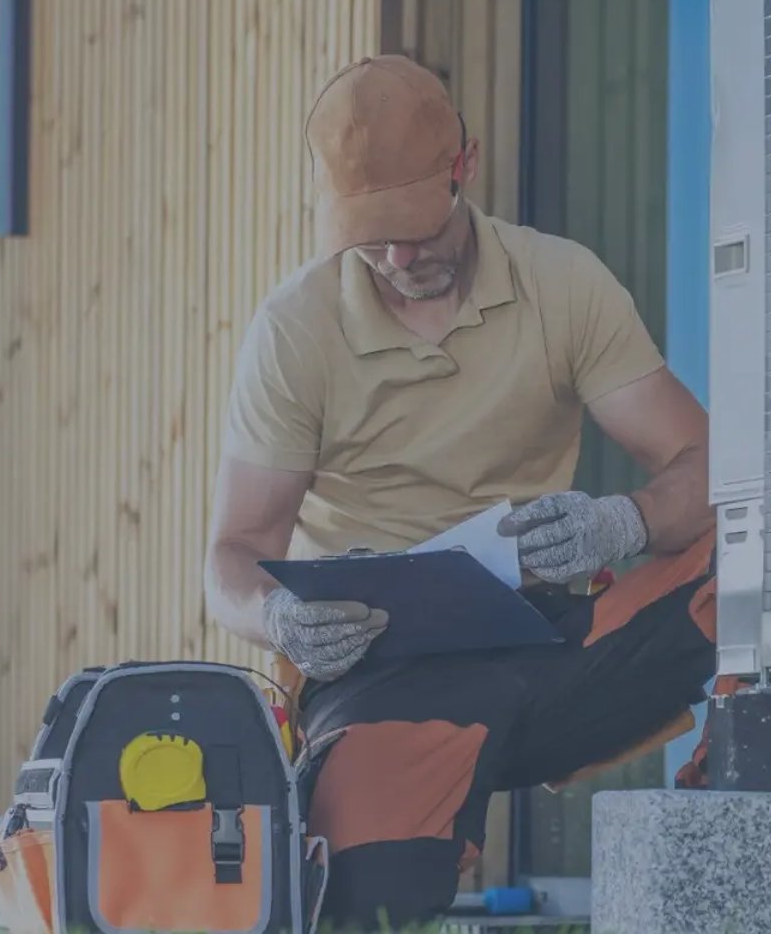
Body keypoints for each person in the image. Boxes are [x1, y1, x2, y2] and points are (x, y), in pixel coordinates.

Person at [202, 54, 719, 928]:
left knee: (755, 534)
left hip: (557, 646)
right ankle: (422, 818)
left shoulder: (563, 282)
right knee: (366, 899)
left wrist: (622, 522)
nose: (400, 258)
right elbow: (232, 555)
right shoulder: (295, 327)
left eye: (415, 225)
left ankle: (743, 806)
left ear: (464, 167)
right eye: (372, 238)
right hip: (380, 675)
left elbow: (708, 465)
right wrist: (279, 620)